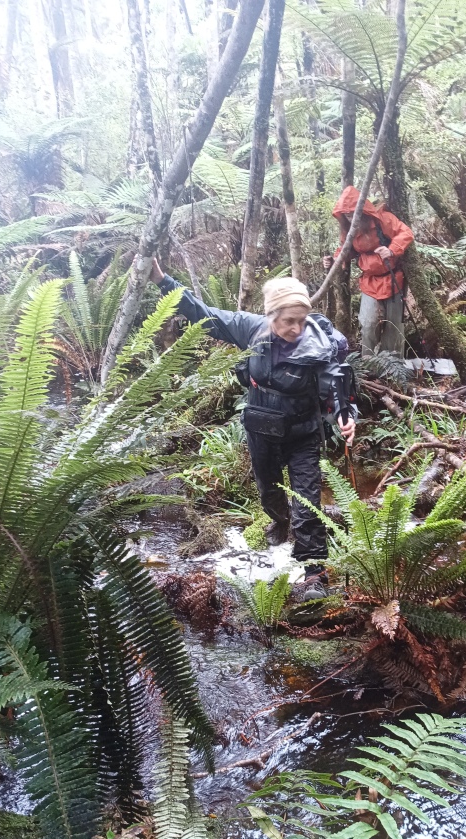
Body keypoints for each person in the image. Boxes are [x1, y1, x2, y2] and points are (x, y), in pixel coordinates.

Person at [149, 259, 356, 601]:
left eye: (301, 320)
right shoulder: (251, 329)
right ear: (271, 316)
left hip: (303, 433)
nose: (296, 328)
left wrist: (346, 417)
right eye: (289, 321)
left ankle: (314, 574)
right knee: (270, 495)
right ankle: (279, 522)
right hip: (262, 431)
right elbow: (203, 314)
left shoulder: (321, 346)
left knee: (307, 503)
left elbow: (338, 391)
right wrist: (161, 279)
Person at [324, 185, 414, 358]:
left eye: (354, 214)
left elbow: (405, 232)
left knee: (394, 326)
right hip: (369, 280)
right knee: (368, 322)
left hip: (394, 278)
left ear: (363, 211)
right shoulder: (349, 230)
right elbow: (345, 250)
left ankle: (393, 368)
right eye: (347, 215)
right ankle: (368, 363)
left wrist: (392, 250)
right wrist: (333, 262)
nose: (351, 218)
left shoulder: (382, 220)